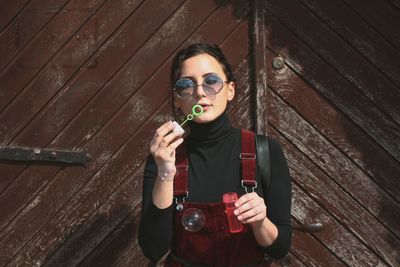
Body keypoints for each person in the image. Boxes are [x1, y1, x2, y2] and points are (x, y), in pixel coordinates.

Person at [139, 43, 292, 266]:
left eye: (211, 81)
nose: (200, 91)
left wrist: (260, 222)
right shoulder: (164, 159)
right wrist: (165, 172)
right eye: (186, 85)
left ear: (230, 90)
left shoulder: (266, 151)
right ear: (177, 99)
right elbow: (153, 249)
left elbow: (280, 248)